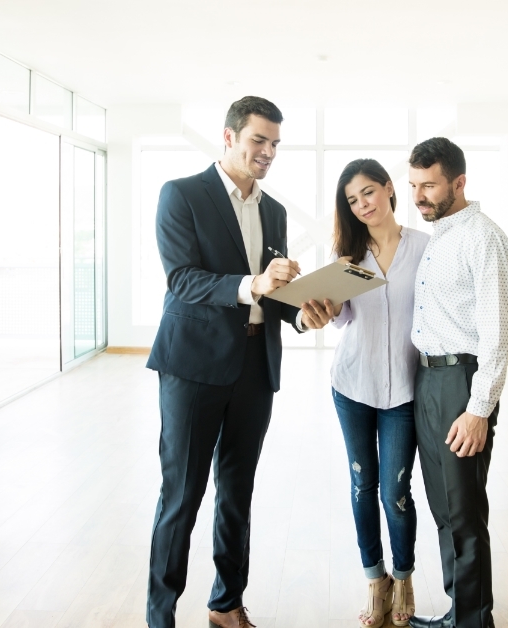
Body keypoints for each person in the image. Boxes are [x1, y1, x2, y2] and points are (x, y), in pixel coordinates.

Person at [145, 96, 307, 628]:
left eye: (275, 143)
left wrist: (305, 314)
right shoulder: (183, 195)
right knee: (182, 495)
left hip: (256, 368)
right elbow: (182, 279)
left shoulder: (274, 210)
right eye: (259, 140)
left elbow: (275, 296)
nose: (268, 152)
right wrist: (251, 284)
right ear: (229, 136)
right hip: (192, 368)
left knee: (238, 493)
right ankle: (160, 615)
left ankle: (226, 604)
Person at [301, 159, 430, 628]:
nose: (362, 206)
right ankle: (375, 581)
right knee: (363, 485)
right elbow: (341, 320)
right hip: (352, 384)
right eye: (352, 201)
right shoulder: (348, 259)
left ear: (390, 189)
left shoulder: (425, 248)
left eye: (368, 193)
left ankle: (404, 577)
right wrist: (328, 305)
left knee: (396, 491)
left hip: (405, 391)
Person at [403, 138, 508, 628]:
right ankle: (461, 613)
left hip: (462, 382)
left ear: (459, 182)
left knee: (465, 512)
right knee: (445, 510)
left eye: (428, 185)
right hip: (429, 379)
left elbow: (499, 332)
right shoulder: (439, 237)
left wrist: (479, 409)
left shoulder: (483, 238)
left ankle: (473, 622)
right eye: (413, 185)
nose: (418, 196)